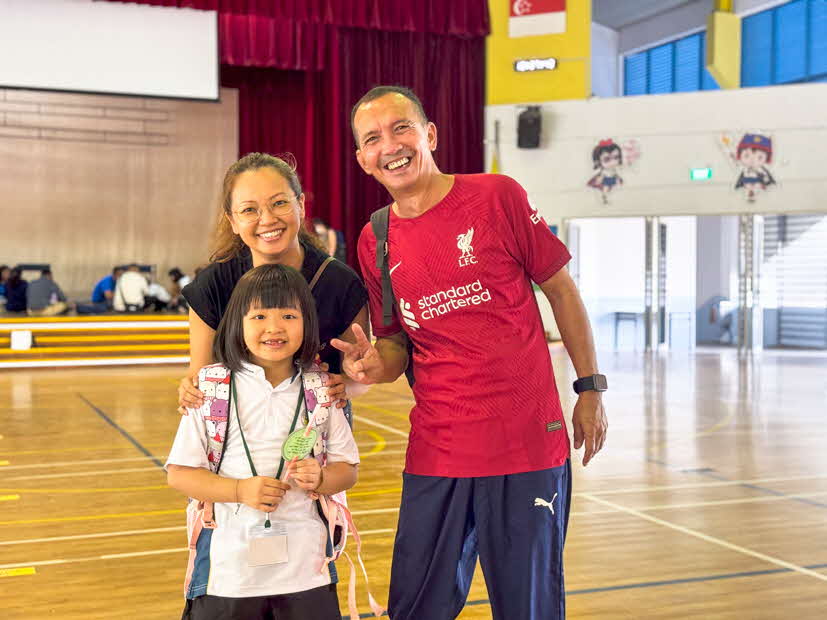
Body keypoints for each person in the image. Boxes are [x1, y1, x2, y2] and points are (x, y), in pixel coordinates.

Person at [331, 86, 608, 620]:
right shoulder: (376, 239)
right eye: (373, 138)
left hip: (527, 444)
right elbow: (394, 348)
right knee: (414, 607)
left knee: (528, 608)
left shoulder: (497, 197)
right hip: (440, 449)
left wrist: (590, 389)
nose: (390, 145)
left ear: (429, 135)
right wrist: (370, 364)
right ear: (362, 158)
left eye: (401, 128)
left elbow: (562, 290)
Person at [167, 263, 359, 619]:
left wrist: (322, 478)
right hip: (229, 576)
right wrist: (240, 491)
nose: (274, 327)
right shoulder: (210, 387)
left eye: (289, 314)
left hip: (307, 571)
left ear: (308, 323)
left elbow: (347, 471)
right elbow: (179, 474)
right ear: (237, 323)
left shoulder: (322, 388)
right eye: (258, 316)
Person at [177, 152, 369, 419]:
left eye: (279, 203)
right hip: (238, 428)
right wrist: (191, 390)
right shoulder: (212, 285)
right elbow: (200, 377)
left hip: (316, 427)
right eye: (248, 210)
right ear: (232, 220)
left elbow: (358, 377)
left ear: (301, 205)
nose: (266, 219)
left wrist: (349, 381)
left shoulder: (341, 284)